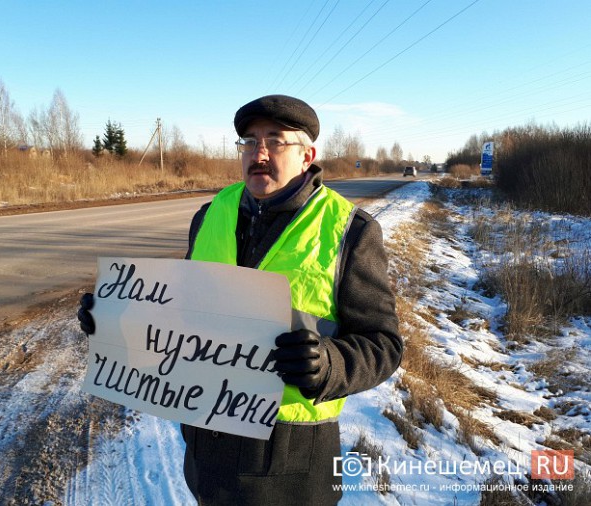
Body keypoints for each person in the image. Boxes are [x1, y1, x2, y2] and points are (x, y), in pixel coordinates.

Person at [78, 94, 402, 505]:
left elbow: (384, 344)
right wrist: (114, 318)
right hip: (206, 447)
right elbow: (180, 313)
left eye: (275, 140)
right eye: (249, 141)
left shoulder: (350, 232)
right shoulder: (211, 214)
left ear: (308, 156)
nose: (259, 153)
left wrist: (330, 364)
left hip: (289, 463)